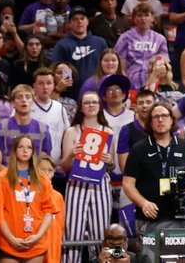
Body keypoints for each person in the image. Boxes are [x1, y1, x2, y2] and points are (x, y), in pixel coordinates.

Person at [121, 101, 185, 232]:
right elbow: (128, 184)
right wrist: (143, 203)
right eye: (155, 117)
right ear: (150, 122)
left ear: (171, 120)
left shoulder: (184, 146)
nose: (160, 120)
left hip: (180, 216)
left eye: (164, 115)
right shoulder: (139, 148)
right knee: (149, 253)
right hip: (149, 217)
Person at [59, 90, 116, 263]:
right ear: (81, 108)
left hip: (100, 184)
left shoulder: (108, 131)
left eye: (94, 102)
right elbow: (64, 166)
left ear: (100, 106)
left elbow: (111, 167)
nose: (91, 105)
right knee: (73, 231)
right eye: (87, 103)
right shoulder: (72, 131)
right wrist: (71, 156)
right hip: (76, 183)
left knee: (101, 231)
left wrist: (109, 161)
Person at [0, 134, 63, 263]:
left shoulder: (42, 179)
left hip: (36, 244)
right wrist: (12, 239)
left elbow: (49, 212)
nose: (25, 150)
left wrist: (37, 236)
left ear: (33, 152)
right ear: (14, 150)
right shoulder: (2, 178)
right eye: (21, 147)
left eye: (29, 148)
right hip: (8, 243)